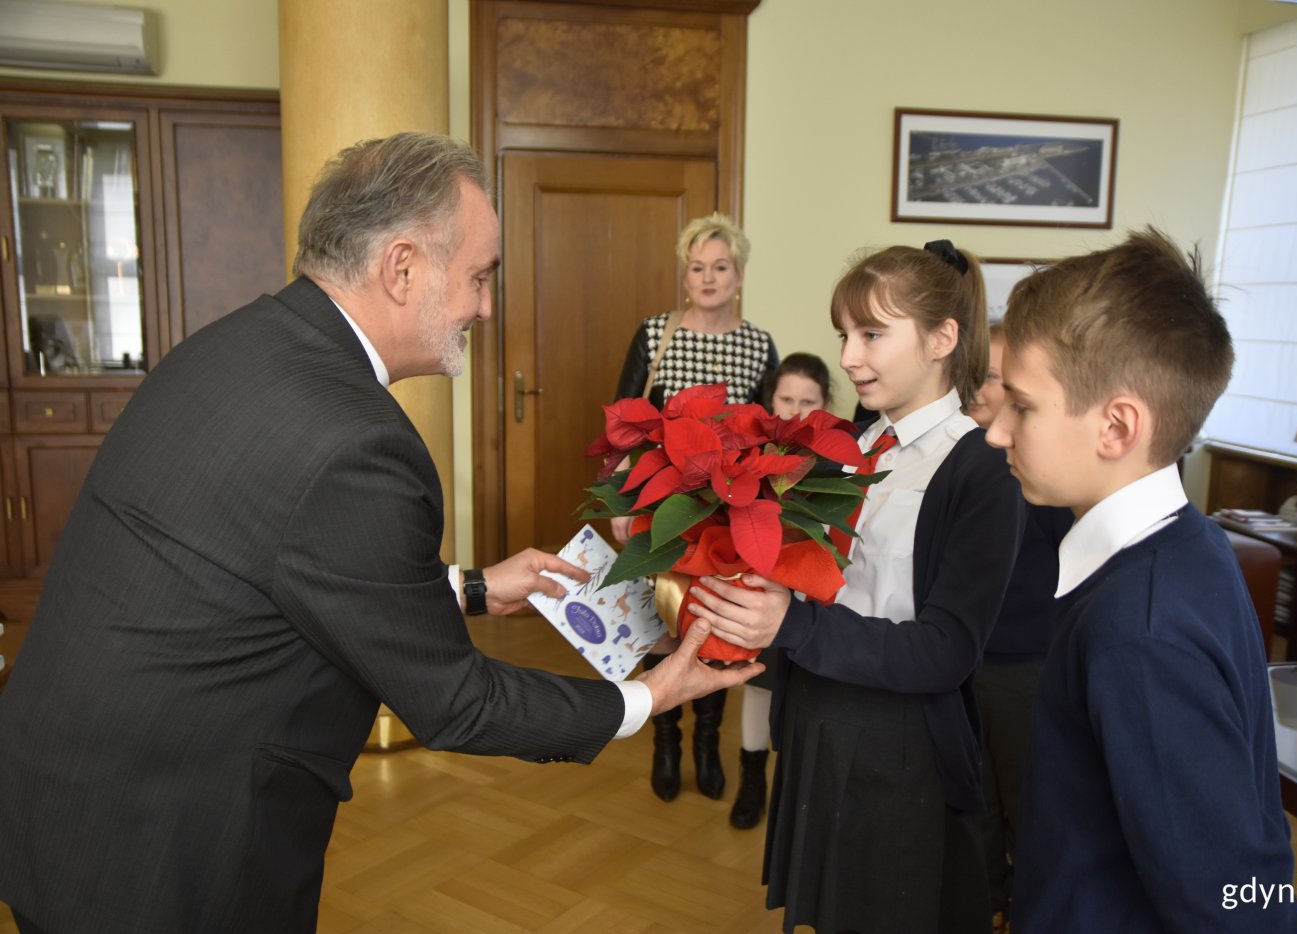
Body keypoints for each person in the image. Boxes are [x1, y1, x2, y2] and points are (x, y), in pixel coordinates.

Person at [0, 132, 758, 934]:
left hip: (65, 796)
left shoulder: (239, 343)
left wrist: (469, 586)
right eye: (478, 277)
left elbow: (266, 562)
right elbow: (456, 703)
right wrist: (647, 695)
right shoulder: (359, 441)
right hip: (168, 850)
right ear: (402, 268)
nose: (485, 307)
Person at [688, 240, 1025, 932]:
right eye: (845, 334)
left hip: (898, 750)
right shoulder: (858, 445)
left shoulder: (979, 471)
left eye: (872, 334)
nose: (848, 357)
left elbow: (944, 652)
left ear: (942, 338)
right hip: (820, 718)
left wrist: (793, 626)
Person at [983, 228, 1297, 932]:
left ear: (1117, 426)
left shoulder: (1140, 631)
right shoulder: (1187, 543)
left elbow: (1230, 902)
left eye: (1023, 406)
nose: (997, 432)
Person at [609, 212, 778, 804]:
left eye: (720, 267)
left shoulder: (758, 344)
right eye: (697, 267)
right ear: (686, 275)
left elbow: (769, 432)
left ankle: (707, 742)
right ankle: (665, 741)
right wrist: (621, 496)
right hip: (660, 502)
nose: (708, 278)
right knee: (661, 618)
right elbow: (623, 419)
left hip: (725, 511)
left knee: (708, 623)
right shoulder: (656, 333)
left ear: (739, 275)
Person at [966, 323, 1073, 931]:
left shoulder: (1045, 473)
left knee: (1024, 802)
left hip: (1023, 662)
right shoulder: (962, 453)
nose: (985, 388)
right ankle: (988, 903)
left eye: (999, 379)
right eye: (980, 373)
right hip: (962, 655)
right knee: (972, 794)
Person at [728, 351, 834, 831]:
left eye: (807, 401)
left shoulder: (842, 461)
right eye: (785, 399)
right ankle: (752, 780)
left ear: (826, 404)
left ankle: (797, 791)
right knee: (759, 683)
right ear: (769, 401)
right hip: (768, 588)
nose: (794, 412)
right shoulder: (752, 456)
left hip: (821, 594)